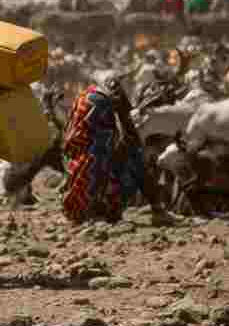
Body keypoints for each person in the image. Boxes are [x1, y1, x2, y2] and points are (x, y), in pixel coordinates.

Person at [62, 78, 170, 225]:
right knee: (134, 158)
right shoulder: (104, 120)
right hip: (98, 208)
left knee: (128, 156)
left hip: (73, 208)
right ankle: (157, 210)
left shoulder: (84, 105)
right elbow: (131, 140)